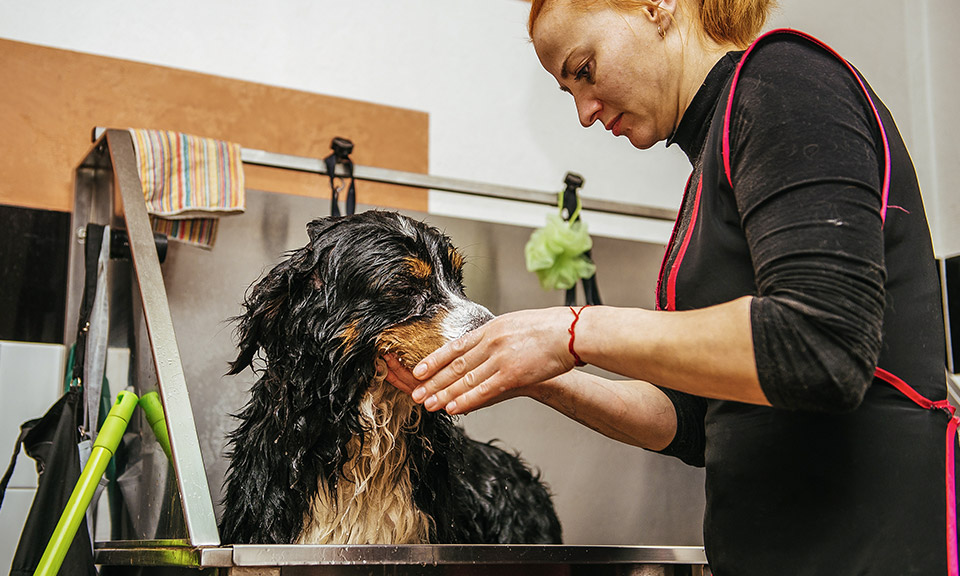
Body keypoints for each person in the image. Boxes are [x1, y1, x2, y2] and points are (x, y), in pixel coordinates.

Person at [384, 0, 958, 574]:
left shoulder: (784, 79)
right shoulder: (708, 166)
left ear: (657, 7)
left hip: (874, 546)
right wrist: (535, 375)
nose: (584, 112)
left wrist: (572, 330)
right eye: (568, 92)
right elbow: (692, 424)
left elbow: (818, 343)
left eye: (584, 69)